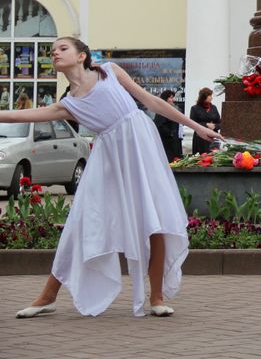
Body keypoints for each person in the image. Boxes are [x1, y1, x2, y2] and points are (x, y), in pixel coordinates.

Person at [8, 37, 220, 319]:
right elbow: (23, 115)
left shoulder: (110, 71)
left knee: (154, 215)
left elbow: (152, 102)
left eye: (62, 48)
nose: (55, 53)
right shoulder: (68, 104)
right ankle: (48, 296)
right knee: (80, 220)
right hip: (108, 157)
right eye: (53, 50)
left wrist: (196, 127)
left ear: (82, 55)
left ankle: (156, 297)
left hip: (140, 144)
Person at [189, 87, 221, 154]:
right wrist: (206, 124)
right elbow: (192, 123)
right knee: (201, 158)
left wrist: (215, 126)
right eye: (209, 96)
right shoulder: (195, 108)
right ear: (203, 96)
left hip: (213, 137)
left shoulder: (214, 107)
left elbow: (220, 123)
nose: (211, 97)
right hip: (200, 138)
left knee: (213, 157)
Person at [154, 90, 183, 162]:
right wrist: (170, 133)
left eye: (173, 97)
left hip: (175, 140)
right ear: (165, 99)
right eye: (170, 98)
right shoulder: (161, 110)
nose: (173, 100)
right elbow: (160, 125)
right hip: (167, 142)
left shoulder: (173, 109)